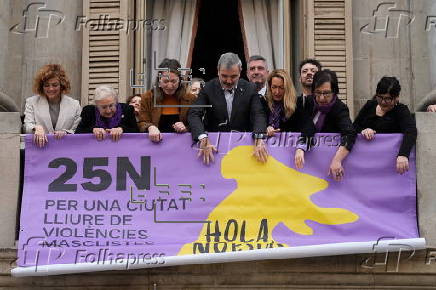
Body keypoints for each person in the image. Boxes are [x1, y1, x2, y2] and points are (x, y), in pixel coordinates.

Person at [188, 52, 268, 165]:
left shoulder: (250, 88)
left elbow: (258, 114)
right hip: (213, 150)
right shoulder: (208, 88)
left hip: (243, 149)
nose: (229, 81)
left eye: (233, 76)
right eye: (224, 76)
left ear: (240, 72)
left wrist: (259, 138)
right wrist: (202, 137)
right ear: (218, 71)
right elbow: (194, 114)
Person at [297, 70, 356, 181]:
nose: (321, 98)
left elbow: (350, 133)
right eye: (318, 93)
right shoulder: (308, 102)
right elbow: (307, 125)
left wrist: (337, 160)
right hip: (308, 165)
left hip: (328, 164)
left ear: (334, 92)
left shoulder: (340, 108)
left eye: (326, 93)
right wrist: (301, 148)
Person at [354, 76, 417, 174]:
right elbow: (354, 127)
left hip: (389, 168)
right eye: (380, 97)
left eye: (388, 99)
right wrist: (363, 130)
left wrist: (403, 155)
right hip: (366, 163)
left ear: (396, 98)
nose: (383, 102)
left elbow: (411, 131)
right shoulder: (370, 105)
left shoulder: (401, 110)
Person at [261, 69, 315, 168]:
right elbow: (254, 123)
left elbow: (309, 126)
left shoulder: (296, 105)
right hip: (265, 159)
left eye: (281, 88)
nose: (277, 92)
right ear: (269, 87)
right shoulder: (262, 103)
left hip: (288, 161)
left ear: (287, 88)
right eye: (274, 87)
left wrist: (301, 148)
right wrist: (264, 128)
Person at [137, 58, 196, 142]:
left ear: (180, 81)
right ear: (159, 81)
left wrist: (185, 128)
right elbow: (141, 123)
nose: (169, 86)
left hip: (182, 145)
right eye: (165, 81)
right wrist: (150, 127)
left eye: (173, 81)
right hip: (156, 144)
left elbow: (197, 123)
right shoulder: (147, 97)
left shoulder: (190, 99)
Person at [23, 64, 81, 147]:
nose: (51, 89)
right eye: (46, 85)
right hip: (40, 149)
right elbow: (26, 126)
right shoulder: (31, 102)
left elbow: (78, 130)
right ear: (41, 87)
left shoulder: (75, 104)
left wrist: (66, 132)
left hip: (66, 149)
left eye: (55, 85)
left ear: (62, 85)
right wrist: (36, 128)